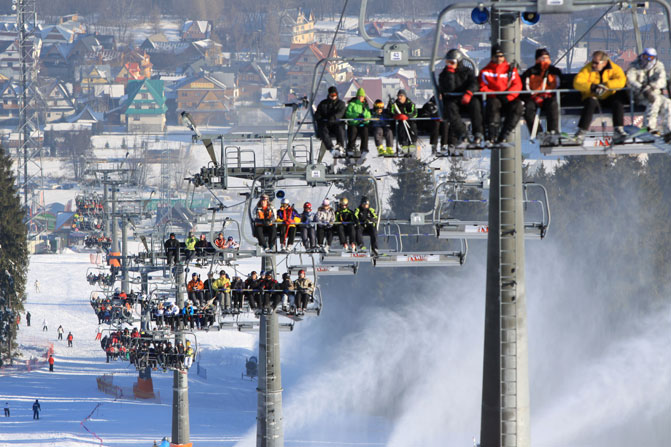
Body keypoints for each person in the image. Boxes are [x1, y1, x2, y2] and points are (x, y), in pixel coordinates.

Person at [573, 50, 628, 142]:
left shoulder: (614, 69)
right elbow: (577, 82)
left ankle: (618, 129)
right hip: (594, 97)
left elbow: (621, 81)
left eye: (596, 63)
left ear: (604, 63)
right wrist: (592, 87)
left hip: (608, 96)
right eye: (593, 62)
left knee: (618, 101)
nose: (593, 65)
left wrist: (607, 85)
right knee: (590, 102)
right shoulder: (587, 69)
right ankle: (581, 131)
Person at [439, 49, 484, 150]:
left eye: (452, 62)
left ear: (458, 62)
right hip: (453, 101)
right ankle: (463, 135)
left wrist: (468, 93)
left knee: (475, 103)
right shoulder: (444, 75)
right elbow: (448, 89)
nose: (449, 65)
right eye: (447, 62)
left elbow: (474, 83)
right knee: (450, 108)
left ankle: (478, 133)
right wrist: (450, 74)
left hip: (467, 99)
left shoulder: (467, 72)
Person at [479, 44, 524, 144]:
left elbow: (517, 85)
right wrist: (495, 94)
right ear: (492, 57)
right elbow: (482, 87)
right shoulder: (486, 71)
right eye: (496, 56)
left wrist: (508, 97)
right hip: (494, 98)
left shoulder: (510, 70)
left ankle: (504, 134)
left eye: (501, 56)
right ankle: (492, 135)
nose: (499, 58)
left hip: (508, 99)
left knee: (517, 107)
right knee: (493, 105)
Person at [626, 47, 671, 138]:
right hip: (639, 95)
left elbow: (662, 80)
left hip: (654, 92)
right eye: (645, 56)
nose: (647, 60)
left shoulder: (658, 66)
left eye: (650, 58)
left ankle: (668, 130)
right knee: (654, 100)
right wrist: (642, 88)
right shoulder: (635, 65)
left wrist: (652, 86)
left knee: (668, 103)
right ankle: (649, 127)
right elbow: (630, 80)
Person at [521, 48, 562, 138]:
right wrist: (533, 95)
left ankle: (553, 131)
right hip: (535, 97)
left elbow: (560, 85)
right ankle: (538, 132)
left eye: (546, 58)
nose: (544, 60)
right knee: (528, 108)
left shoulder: (554, 71)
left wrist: (551, 94)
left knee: (552, 105)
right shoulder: (530, 72)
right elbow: (525, 87)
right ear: (537, 59)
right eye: (542, 58)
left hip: (549, 96)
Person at [315, 86, 347, 158]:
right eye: (331, 95)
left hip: (336, 124)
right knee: (323, 131)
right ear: (329, 95)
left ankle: (340, 146)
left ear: (337, 95)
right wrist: (319, 118)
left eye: (334, 95)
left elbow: (341, 113)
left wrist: (334, 118)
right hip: (326, 125)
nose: (333, 97)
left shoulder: (340, 104)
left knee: (340, 129)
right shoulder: (323, 104)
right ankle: (331, 148)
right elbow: (318, 113)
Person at [345, 87, 371, 157]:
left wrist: (364, 117)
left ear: (364, 97)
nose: (360, 97)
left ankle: (364, 149)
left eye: (362, 96)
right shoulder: (352, 104)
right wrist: (357, 116)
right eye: (359, 96)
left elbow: (368, 115)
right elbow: (348, 113)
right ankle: (350, 148)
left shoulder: (365, 105)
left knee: (365, 132)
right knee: (353, 133)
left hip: (362, 124)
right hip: (354, 123)